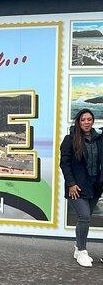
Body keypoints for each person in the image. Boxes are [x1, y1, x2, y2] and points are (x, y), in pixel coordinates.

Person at [60, 109, 102, 267]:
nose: (86, 122)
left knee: (85, 218)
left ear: (93, 121)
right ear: (78, 121)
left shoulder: (99, 139)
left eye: (89, 119)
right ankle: (82, 251)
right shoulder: (70, 139)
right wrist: (71, 184)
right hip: (76, 187)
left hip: (95, 187)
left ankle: (78, 248)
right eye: (83, 119)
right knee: (84, 217)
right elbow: (64, 164)